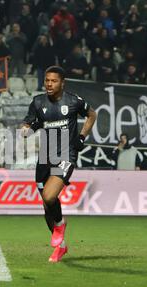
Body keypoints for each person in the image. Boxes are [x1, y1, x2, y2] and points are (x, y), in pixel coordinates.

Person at [21, 66, 97, 263]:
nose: (49, 84)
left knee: (49, 195)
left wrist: (81, 136)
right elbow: (27, 128)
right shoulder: (38, 102)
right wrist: (29, 128)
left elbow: (92, 115)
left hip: (66, 155)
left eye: (53, 81)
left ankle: (60, 225)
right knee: (47, 206)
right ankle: (61, 247)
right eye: (47, 80)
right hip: (44, 158)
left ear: (62, 83)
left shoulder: (73, 101)